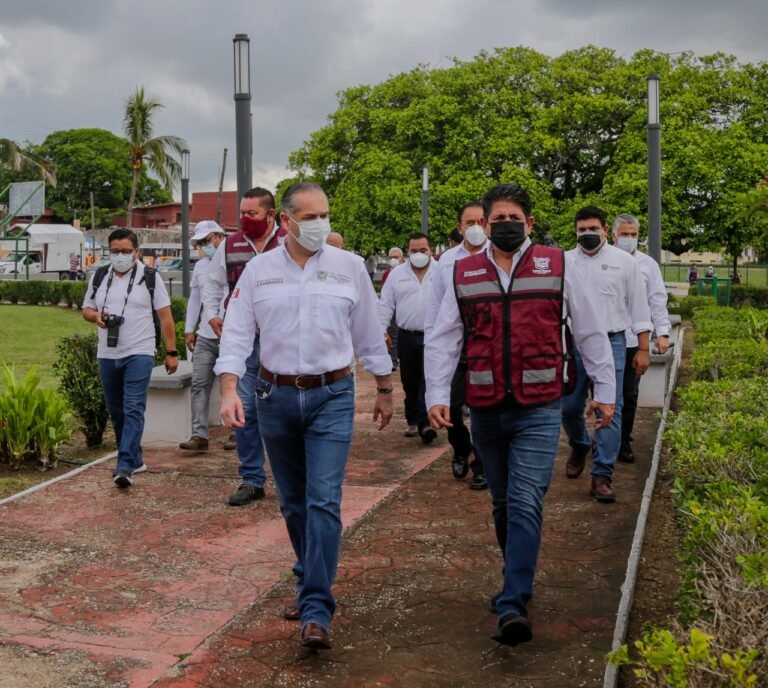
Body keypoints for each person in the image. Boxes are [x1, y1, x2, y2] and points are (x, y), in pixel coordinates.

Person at [425, 183, 615, 647]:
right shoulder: (463, 271)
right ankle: (516, 578)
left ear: (529, 223)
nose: (506, 225)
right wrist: (436, 394)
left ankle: (514, 601)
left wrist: (605, 390)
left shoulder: (559, 265)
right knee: (502, 503)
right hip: (486, 407)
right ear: (483, 225)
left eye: (515, 218)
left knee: (526, 500)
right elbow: (444, 336)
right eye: (497, 220)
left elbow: (590, 331)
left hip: (539, 406)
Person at [216, 182, 394, 650]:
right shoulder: (259, 272)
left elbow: (369, 333)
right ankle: (308, 577)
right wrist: (229, 388)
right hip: (273, 396)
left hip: (331, 395)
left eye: (324, 215)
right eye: (310, 217)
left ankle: (316, 607)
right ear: (287, 221)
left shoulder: (349, 267)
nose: (319, 224)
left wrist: (384, 386)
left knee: (324, 501)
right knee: (294, 503)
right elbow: (236, 334)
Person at [203, 187, 287, 506]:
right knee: (246, 410)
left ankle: (292, 478)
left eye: (252, 213)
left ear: (271, 214)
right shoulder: (231, 244)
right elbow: (212, 283)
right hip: (244, 342)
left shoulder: (289, 242)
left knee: (285, 409)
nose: (244, 219)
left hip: (282, 341)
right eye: (242, 213)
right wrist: (213, 314)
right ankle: (252, 479)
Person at [561, 206, 652, 503]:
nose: (587, 233)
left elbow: (639, 306)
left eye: (593, 228)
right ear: (575, 231)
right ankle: (579, 444)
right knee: (568, 407)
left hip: (612, 342)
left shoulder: (625, 262)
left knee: (610, 408)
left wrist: (643, 348)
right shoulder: (563, 261)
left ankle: (602, 474)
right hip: (574, 344)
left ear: (604, 230)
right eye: (582, 229)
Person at [82, 229, 178, 488]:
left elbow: (166, 317)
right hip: (107, 352)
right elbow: (86, 309)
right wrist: (96, 317)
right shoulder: (100, 276)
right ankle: (135, 459)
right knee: (117, 411)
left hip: (140, 351)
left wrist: (171, 352)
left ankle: (124, 466)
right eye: (115, 251)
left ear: (137, 252)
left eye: (125, 251)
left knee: (134, 407)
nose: (120, 256)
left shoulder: (150, 277)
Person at [424, 201, 489, 490]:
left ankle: (481, 464)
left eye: (481, 222)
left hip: (485, 341)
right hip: (453, 343)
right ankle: (462, 448)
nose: (476, 228)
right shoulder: (447, 261)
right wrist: (432, 344)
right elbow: (436, 307)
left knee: (484, 407)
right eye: (470, 222)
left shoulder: (498, 255)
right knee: (450, 403)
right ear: (460, 227)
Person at [612, 214, 671, 463]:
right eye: (624, 234)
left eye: (633, 234)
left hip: (635, 340)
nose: (629, 238)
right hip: (606, 338)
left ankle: (623, 440)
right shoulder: (604, 260)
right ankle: (604, 439)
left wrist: (663, 333)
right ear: (613, 235)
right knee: (604, 394)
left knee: (629, 393)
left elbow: (657, 300)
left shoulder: (648, 265)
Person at [378, 232, 438, 443]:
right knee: (410, 381)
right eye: (414, 251)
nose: (419, 254)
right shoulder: (397, 275)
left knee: (428, 379)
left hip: (434, 336)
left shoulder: (441, 271)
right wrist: (381, 330)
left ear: (430, 250)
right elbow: (386, 304)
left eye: (423, 250)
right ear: (407, 252)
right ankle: (413, 418)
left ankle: (425, 423)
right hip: (407, 336)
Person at [179, 221, 227, 452]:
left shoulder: (234, 260)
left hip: (230, 334)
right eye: (199, 243)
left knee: (236, 385)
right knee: (199, 383)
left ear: (219, 236)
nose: (203, 246)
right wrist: (189, 329)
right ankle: (199, 435)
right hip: (206, 336)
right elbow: (195, 300)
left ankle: (238, 432)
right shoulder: (200, 266)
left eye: (206, 241)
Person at [381, 247, 405, 372]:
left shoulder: (405, 272)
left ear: (401, 258)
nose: (393, 260)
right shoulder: (387, 274)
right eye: (391, 257)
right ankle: (393, 361)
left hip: (404, 307)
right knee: (392, 334)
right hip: (392, 308)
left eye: (395, 257)